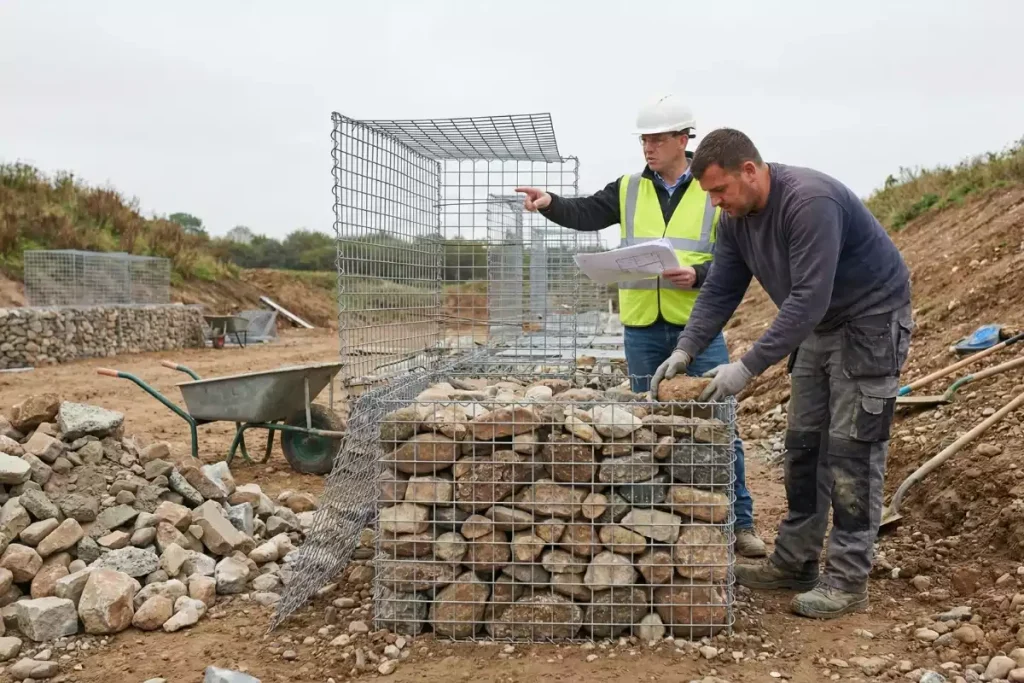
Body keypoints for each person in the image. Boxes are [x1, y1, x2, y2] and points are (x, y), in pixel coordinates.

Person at [653, 128, 913, 619]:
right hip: (818, 326)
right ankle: (795, 563)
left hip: (870, 321)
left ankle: (848, 581)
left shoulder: (809, 202)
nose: (714, 203)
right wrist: (687, 348)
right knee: (804, 448)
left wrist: (746, 368)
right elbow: (721, 289)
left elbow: (809, 297)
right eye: (708, 193)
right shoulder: (735, 219)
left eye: (718, 190)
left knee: (852, 452)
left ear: (749, 171)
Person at [515, 95, 766, 558]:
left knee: (719, 424)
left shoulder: (713, 188)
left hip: (699, 327)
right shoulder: (630, 187)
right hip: (643, 330)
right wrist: (550, 203)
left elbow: (735, 260)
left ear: (682, 139)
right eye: (644, 139)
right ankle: (663, 521)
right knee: (645, 426)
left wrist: (700, 276)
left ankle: (740, 522)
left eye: (656, 139)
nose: (648, 147)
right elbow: (588, 212)